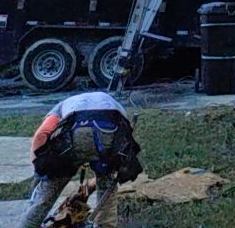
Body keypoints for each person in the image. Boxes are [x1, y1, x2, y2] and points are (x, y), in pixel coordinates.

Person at [17, 90, 142, 228]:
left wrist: (40, 169)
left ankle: (29, 224)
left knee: (51, 185)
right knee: (106, 182)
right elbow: (125, 135)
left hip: (75, 135)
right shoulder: (111, 102)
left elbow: (41, 134)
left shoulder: (59, 108)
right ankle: (105, 224)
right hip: (108, 132)